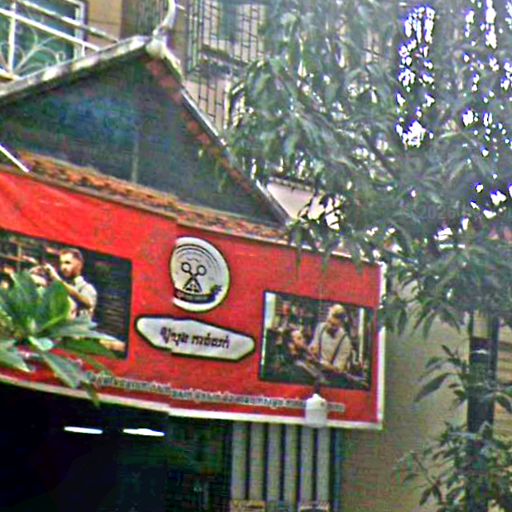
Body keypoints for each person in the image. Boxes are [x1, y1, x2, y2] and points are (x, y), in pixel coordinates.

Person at [44, 248, 97, 320]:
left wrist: (57, 279)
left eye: (67, 263)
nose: (63, 267)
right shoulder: (61, 286)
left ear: (79, 265)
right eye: (61, 263)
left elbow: (86, 303)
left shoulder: (87, 288)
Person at [309, 304, 352, 376]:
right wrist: (312, 349)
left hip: (331, 377)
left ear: (341, 324)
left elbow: (338, 369)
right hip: (315, 371)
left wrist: (324, 365)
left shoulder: (345, 342)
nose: (329, 326)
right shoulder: (321, 327)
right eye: (328, 321)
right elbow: (314, 345)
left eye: (333, 325)